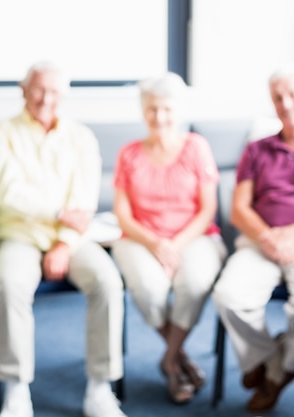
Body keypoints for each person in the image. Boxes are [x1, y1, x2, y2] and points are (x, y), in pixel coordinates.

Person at [0, 61, 127, 417]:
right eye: (38, 89)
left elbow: (84, 199)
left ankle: (100, 387)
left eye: (54, 92)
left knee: (108, 282)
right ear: (23, 89)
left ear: (64, 95)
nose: (46, 99)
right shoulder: (1, 134)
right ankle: (16, 390)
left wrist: (64, 241)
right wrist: (59, 212)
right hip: (19, 235)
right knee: (10, 285)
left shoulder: (80, 136)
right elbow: (7, 193)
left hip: (72, 239)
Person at [211, 63, 294, 414]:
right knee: (230, 297)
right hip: (260, 241)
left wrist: (293, 235)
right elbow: (239, 210)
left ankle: (279, 370)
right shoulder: (257, 149)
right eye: (278, 97)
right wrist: (270, 238)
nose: (286, 103)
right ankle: (270, 361)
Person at [111, 72, 225, 404]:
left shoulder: (196, 147)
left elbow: (208, 209)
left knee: (194, 282)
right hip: (139, 237)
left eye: (166, 109)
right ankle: (181, 357)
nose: (159, 117)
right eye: (152, 109)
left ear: (179, 110)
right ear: (143, 110)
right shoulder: (128, 153)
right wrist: (156, 244)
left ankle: (169, 360)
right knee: (149, 289)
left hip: (194, 236)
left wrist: (173, 246)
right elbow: (123, 214)